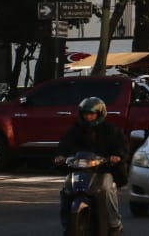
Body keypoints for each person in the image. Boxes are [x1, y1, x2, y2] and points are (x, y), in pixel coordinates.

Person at [54, 96, 128, 236]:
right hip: (78, 170)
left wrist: (116, 156)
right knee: (66, 189)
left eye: (92, 113)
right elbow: (64, 145)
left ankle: (114, 223)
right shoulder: (75, 130)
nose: (88, 116)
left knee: (106, 188)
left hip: (102, 170)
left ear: (100, 114)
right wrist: (60, 156)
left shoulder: (111, 130)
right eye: (86, 113)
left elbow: (122, 146)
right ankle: (66, 224)